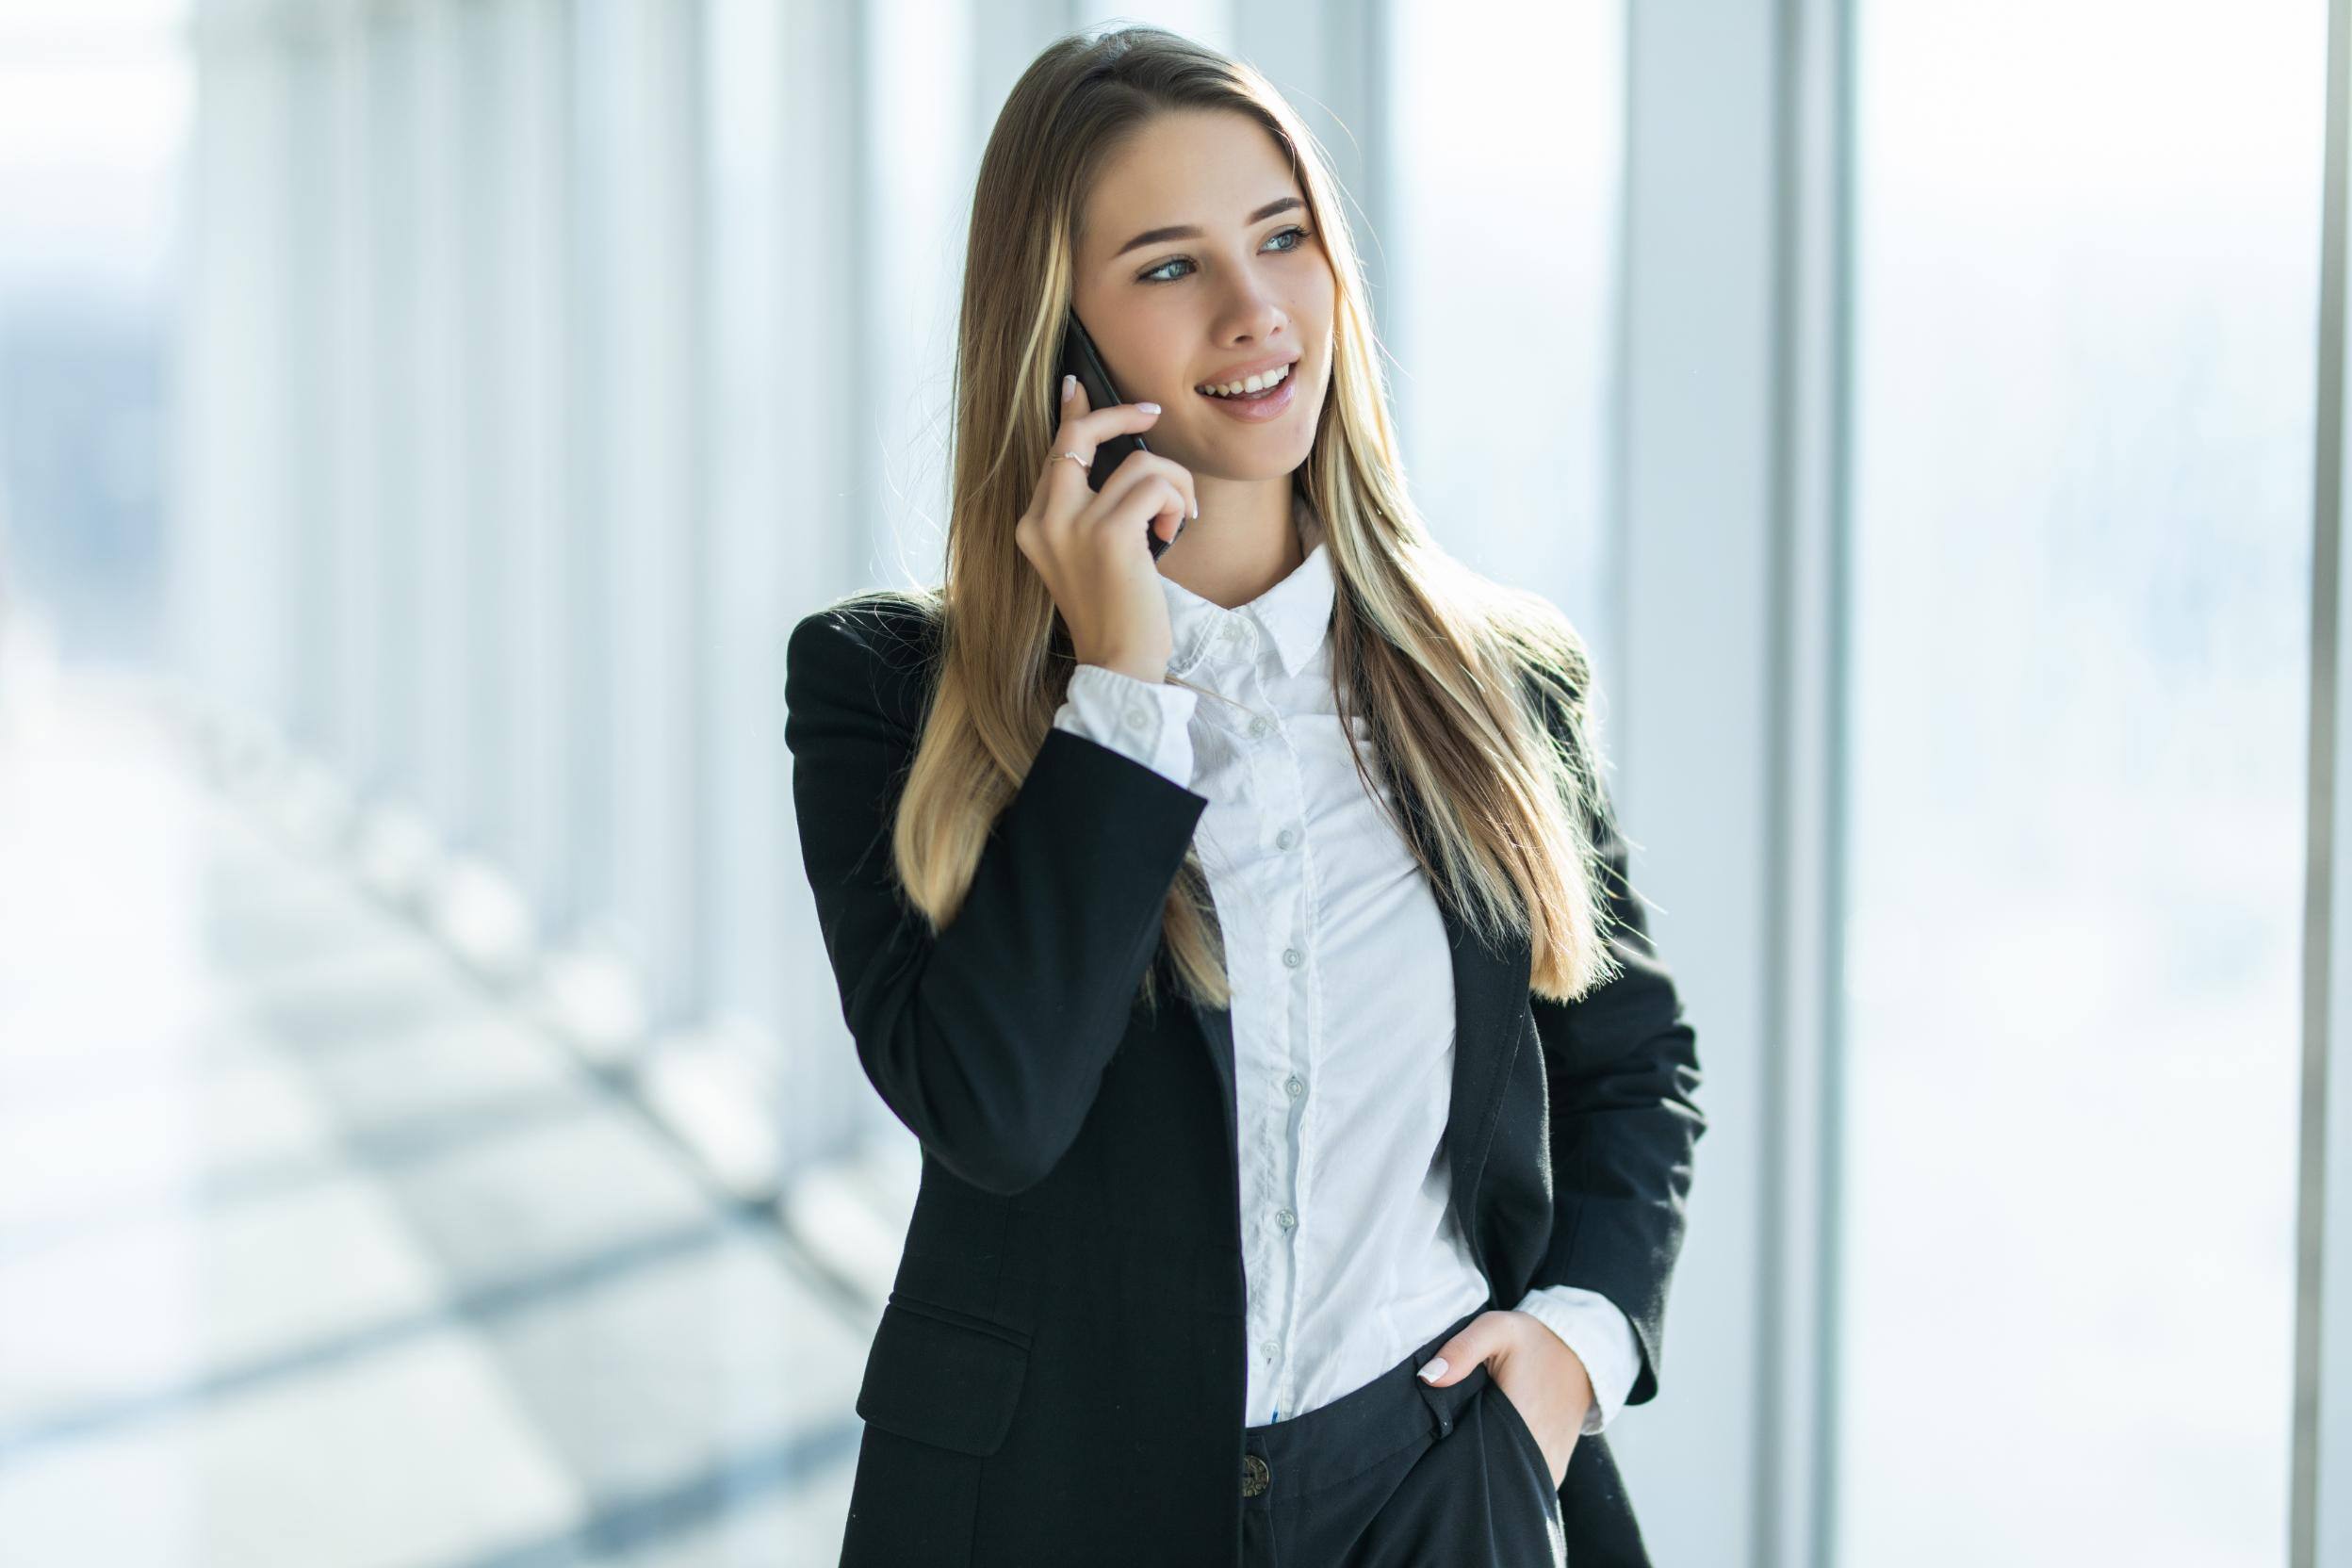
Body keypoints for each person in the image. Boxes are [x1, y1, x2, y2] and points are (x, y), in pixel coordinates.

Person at [785, 24, 1706, 1568]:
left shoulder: (1495, 680)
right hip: (1060, 1507)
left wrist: (1576, 1349)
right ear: (1057, 333)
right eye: (1167, 267)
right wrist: (1121, 696)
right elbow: (994, 1113)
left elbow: (1628, 1061)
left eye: (1283, 237)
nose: (1254, 307)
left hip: (1434, 1479)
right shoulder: (889, 694)